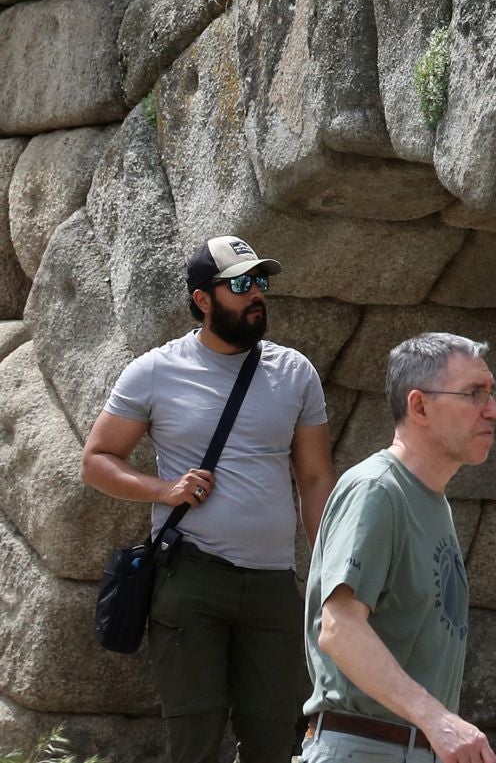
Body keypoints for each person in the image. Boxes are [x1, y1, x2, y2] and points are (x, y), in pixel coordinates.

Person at [80, 235, 335, 763]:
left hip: (272, 584)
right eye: (241, 284)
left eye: (261, 281)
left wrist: (329, 570)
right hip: (191, 577)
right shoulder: (154, 371)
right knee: (194, 742)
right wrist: (162, 490)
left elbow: (315, 479)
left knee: (274, 740)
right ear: (202, 299)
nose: (256, 294)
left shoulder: (296, 373)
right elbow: (97, 460)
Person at [302, 332, 496, 763]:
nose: (494, 410)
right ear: (419, 406)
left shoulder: (434, 503)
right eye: (474, 394)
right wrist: (438, 719)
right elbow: (339, 628)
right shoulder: (376, 490)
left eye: (492, 393)